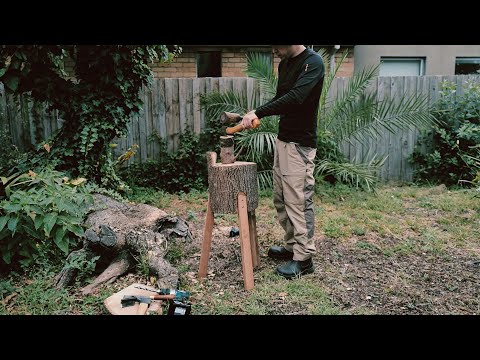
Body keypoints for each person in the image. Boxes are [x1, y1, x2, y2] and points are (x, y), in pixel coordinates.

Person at [241, 45, 325, 279]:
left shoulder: (313, 62)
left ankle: (304, 258)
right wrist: (256, 112)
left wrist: (259, 112)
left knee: (299, 200)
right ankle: (291, 247)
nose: (273, 50)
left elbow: (297, 98)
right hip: (284, 140)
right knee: (282, 198)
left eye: (276, 45)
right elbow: (281, 98)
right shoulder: (285, 63)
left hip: (300, 144)